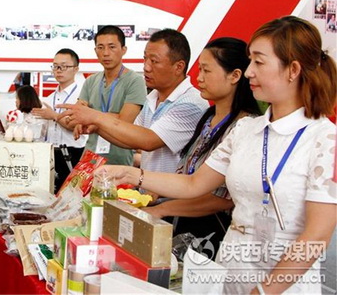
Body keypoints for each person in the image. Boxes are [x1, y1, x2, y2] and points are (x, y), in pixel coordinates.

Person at [93, 16, 336, 294]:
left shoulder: (325, 139)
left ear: (292, 69)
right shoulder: (246, 129)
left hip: (283, 282)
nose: (248, 73)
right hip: (231, 269)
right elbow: (194, 183)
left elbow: (317, 236)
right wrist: (132, 174)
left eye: (258, 62)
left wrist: (265, 291)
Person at [143, 37, 261, 252]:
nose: (199, 78)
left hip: (215, 231)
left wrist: (164, 206)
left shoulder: (245, 126)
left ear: (235, 75)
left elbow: (222, 199)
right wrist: (158, 194)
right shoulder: (208, 117)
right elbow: (188, 173)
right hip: (186, 221)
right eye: (199, 70)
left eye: (207, 71)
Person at [64, 29, 208, 173]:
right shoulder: (152, 99)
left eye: (154, 61)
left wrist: (94, 117)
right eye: (145, 59)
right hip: (149, 191)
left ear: (178, 67)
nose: (146, 67)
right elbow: (130, 138)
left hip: (173, 194)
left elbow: (147, 140)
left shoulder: (191, 104)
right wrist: (95, 125)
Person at [73, 25, 146, 166]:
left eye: (112, 47)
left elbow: (124, 121)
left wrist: (93, 120)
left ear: (123, 50)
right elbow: (79, 112)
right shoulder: (91, 81)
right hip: (90, 158)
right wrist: (80, 122)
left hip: (120, 161)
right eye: (100, 47)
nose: (106, 53)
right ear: (95, 51)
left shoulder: (135, 81)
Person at [32, 48, 86, 192]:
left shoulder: (82, 96)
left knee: (71, 199)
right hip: (49, 154)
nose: (59, 70)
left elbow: (75, 125)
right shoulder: (49, 98)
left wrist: (54, 115)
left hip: (73, 154)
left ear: (76, 69)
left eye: (64, 66)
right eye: (55, 66)